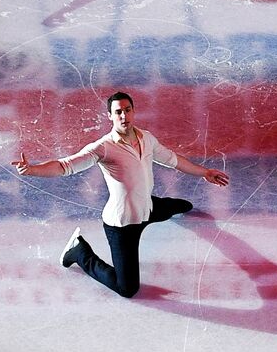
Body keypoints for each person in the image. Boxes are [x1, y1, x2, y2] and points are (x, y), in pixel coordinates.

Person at [12, 91, 230, 298]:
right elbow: (64, 166)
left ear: (133, 111)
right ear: (110, 116)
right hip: (123, 223)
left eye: (127, 110)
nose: (124, 116)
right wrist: (32, 170)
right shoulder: (103, 147)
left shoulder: (147, 138)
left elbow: (173, 160)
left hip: (147, 208)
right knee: (127, 288)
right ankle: (79, 252)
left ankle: (171, 207)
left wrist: (205, 172)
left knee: (180, 206)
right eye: (118, 112)